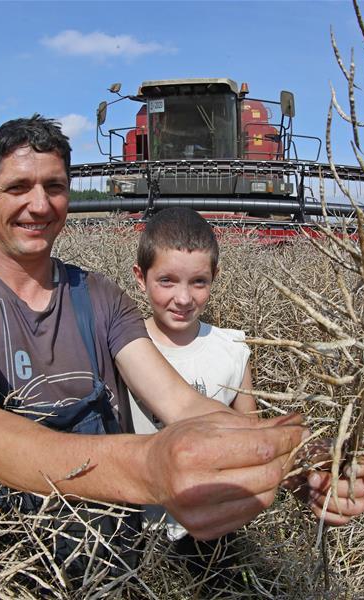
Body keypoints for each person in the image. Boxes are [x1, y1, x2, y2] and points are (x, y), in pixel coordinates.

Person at [0, 114, 364, 585]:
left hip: (115, 560)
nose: (39, 204)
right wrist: (148, 467)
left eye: (54, 187)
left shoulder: (98, 295)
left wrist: (303, 459)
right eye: (18, 187)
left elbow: (181, 403)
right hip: (9, 565)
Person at [129, 207, 258, 592]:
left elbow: (250, 432)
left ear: (214, 277)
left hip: (209, 530)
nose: (183, 298)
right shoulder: (124, 345)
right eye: (166, 281)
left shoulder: (232, 349)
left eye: (198, 282)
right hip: (133, 526)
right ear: (140, 278)